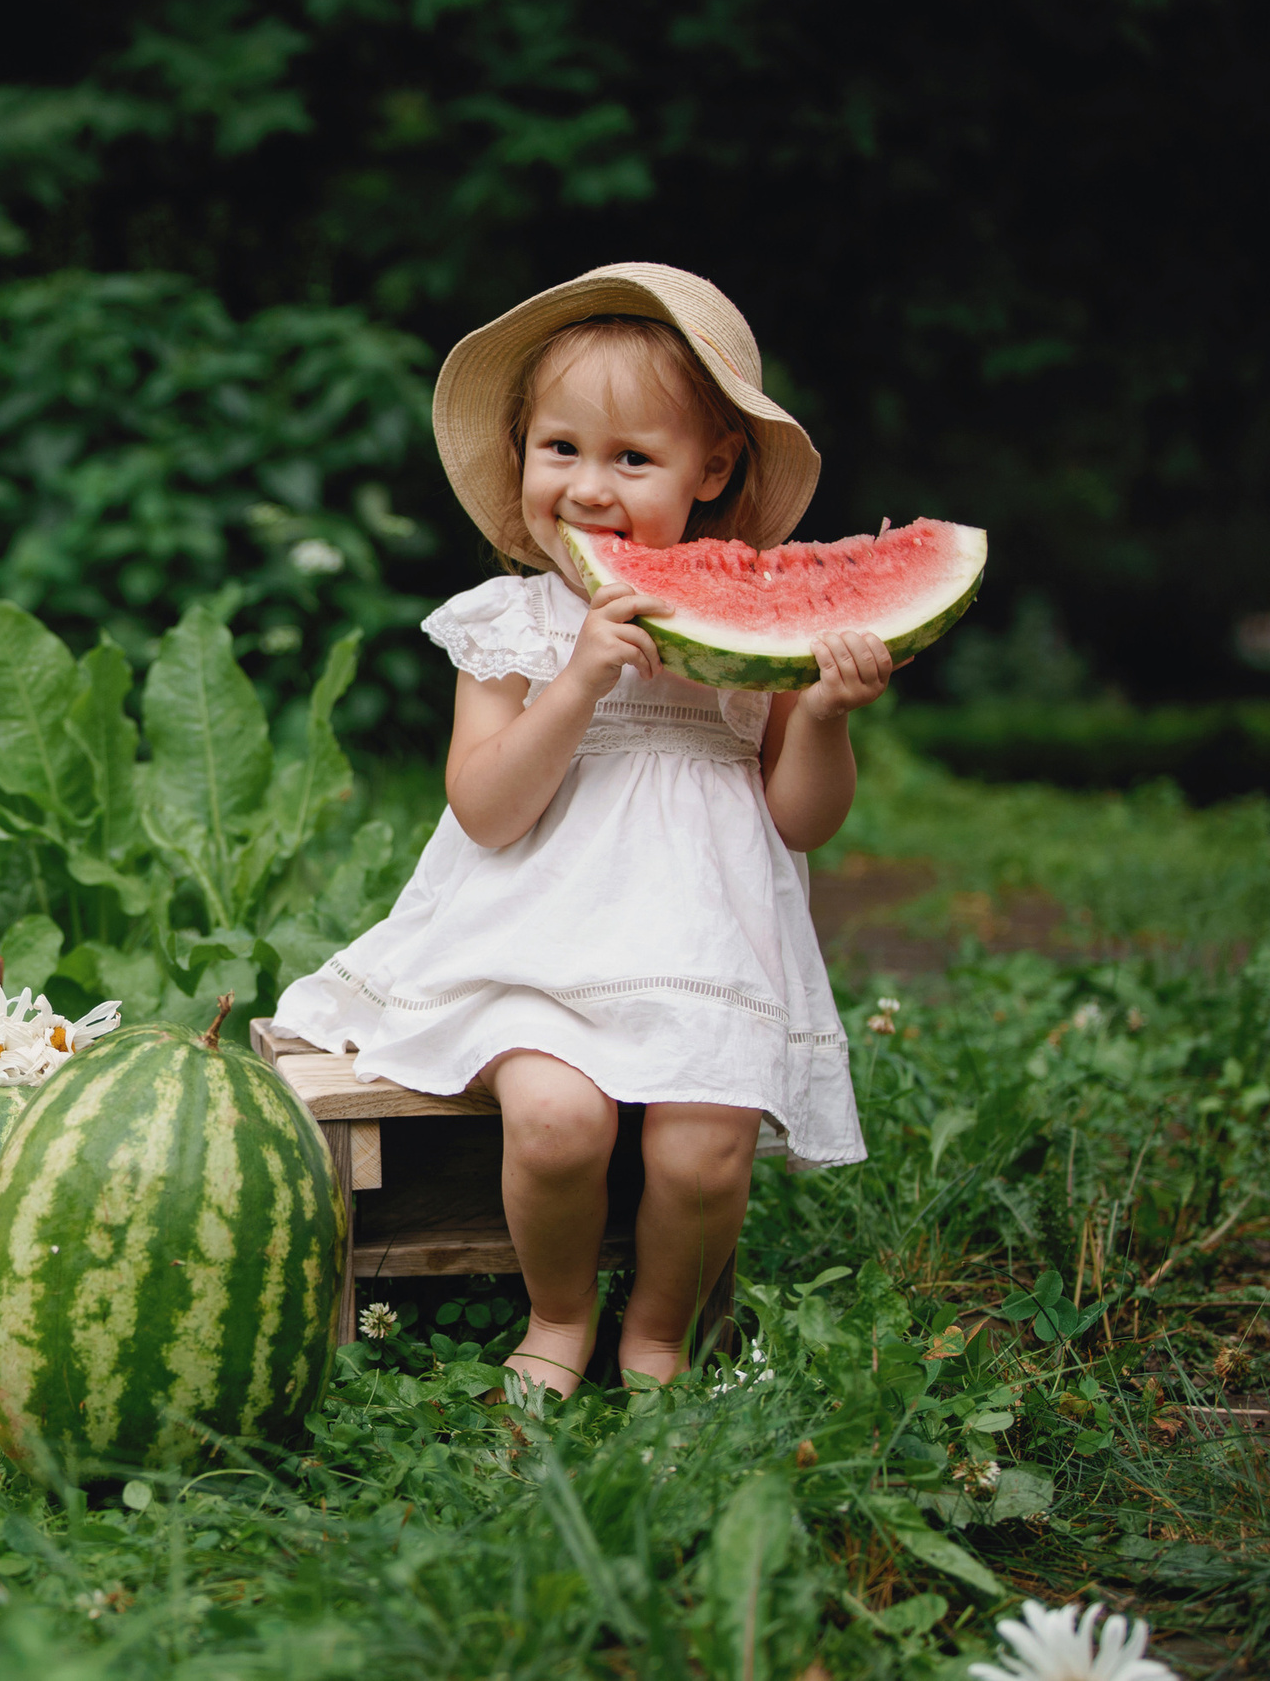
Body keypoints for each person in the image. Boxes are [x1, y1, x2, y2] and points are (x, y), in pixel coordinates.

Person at [271, 263, 887, 1398]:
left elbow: (801, 821)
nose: (589, 487)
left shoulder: (758, 642)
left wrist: (826, 717)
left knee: (703, 1155)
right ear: (520, 456)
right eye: (560, 448)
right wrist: (577, 683)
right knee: (556, 1122)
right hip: (530, 948)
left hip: (702, 952)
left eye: (633, 459)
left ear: (712, 471)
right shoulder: (509, 624)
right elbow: (487, 808)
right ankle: (557, 1317)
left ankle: (657, 1334)